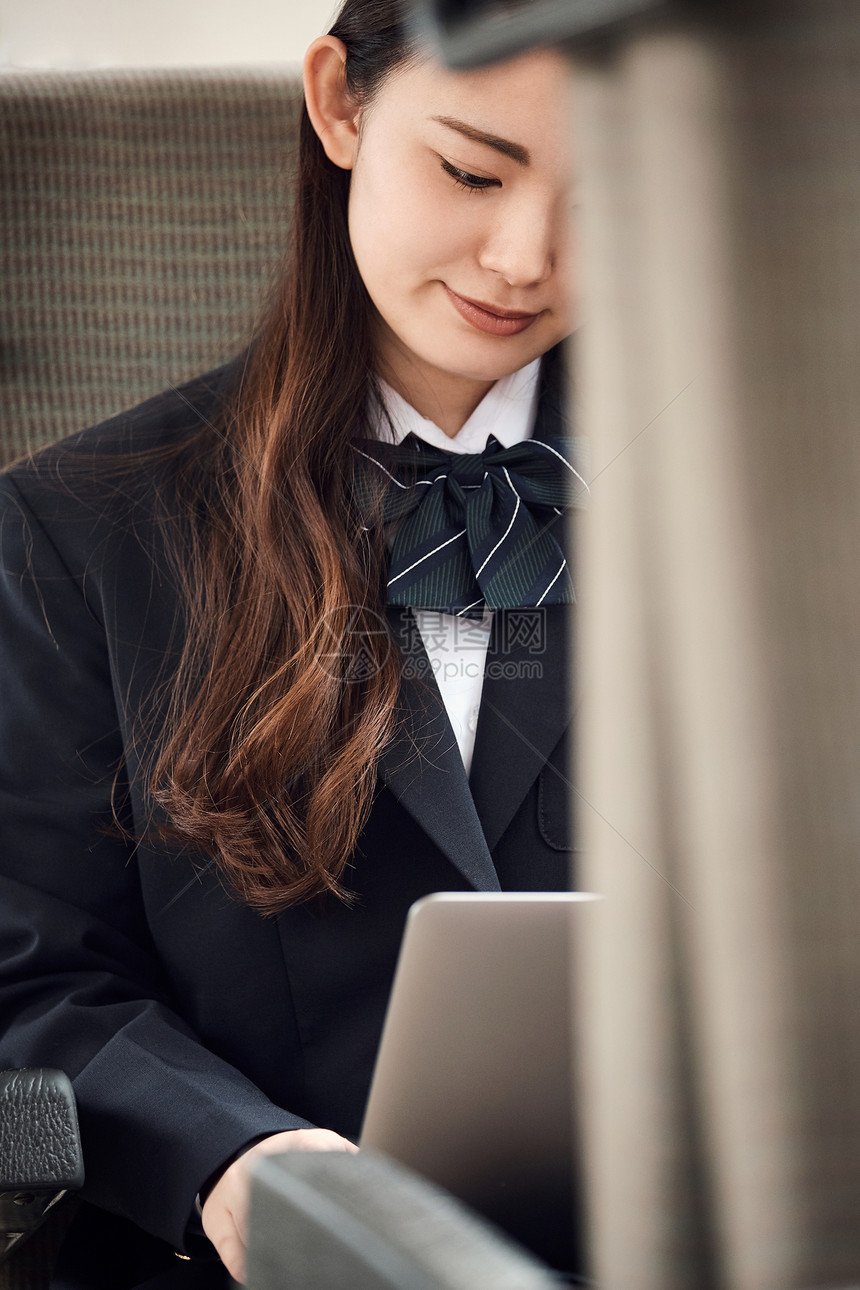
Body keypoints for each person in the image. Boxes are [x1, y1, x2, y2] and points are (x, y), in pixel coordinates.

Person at [0, 1, 579, 1286]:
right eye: (472, 171)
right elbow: (29, 978)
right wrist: (230, 1161)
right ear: (340, 104)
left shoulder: (778, 531)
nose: (526, 256)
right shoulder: (78, 530)